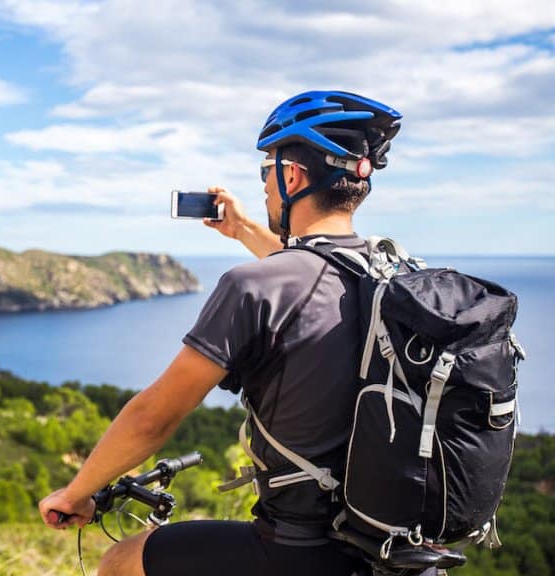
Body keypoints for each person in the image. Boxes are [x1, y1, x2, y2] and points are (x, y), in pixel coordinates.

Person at [38, 91, 403, 576]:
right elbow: (312, 274)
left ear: (291, 175)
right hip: (392, 545)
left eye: (266, 170)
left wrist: (76, 493)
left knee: (122, 561)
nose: (266, 186)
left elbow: (154, 417)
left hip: (301, 551)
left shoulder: (249, 287)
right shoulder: (391, 277)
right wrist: (243, 229)